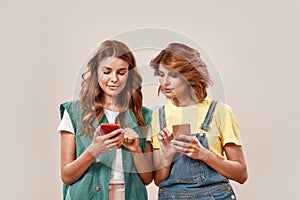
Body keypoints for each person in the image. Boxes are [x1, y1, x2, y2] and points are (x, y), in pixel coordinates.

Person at [57, 40, 153, 200]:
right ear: (96, 71)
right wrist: (94, 150)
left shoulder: (144, 115)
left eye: (121, 72)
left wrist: (136, 150)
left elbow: (147, 179)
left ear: (129, 74)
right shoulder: (74, 112)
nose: (114, 79)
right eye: (107, 72)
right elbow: (67, 176)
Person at [150, 43, 248, 199]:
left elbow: (241, 174)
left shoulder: (221, 112)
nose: (165, 82)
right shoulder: (158, 116)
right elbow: (159, 180)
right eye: (161, 74)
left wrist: (204, 155)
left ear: (191, 75)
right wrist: (167, 156)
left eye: (173, 75)